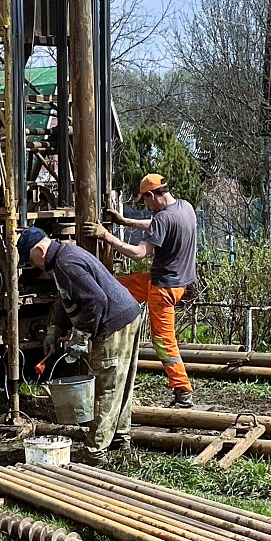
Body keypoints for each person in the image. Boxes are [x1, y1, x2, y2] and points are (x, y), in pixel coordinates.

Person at [18, 227, 143, 463]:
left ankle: (95, 450)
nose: (31, 265)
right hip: (128, 314)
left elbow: (95, 300)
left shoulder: (65, 263)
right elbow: (69, 299)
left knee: (106, 387)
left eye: (30, 259)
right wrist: (55, 331)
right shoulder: (63, 258)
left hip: (113, 322)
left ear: (40, 249)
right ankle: (119, 438)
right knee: (121, 383)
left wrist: (80, 335)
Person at [88, 173, 197, 409]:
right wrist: (125, 221)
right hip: (175, 282)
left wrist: (106, 236)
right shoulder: (185, 208)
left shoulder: (163, 219)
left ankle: (183, 392)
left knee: (163, 341)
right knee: (113, 286)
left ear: (151, 195)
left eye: (145, 201)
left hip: (163, 289)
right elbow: (157, 226)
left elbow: (139, 253)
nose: (146, 205)